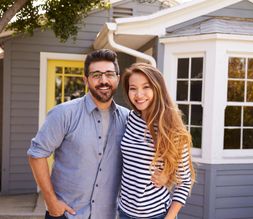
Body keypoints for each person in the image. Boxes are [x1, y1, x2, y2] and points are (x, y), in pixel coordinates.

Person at [27, 49, 129, 219]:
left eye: (109, 74)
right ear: (85, 80)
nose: (103, 80)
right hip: (66, 214)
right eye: (96, 75)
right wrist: (51, 201)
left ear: (117, 78)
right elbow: (36, 154)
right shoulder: (64, 113)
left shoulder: (127, 119)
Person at [118, 63, 196, 219]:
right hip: (124, 211)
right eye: (133, 88)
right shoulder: (130, 118)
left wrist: (170, 216)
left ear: (157, 88)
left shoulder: (172, 128)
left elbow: (185, 181)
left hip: (156, 214)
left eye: (146, 87)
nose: (139, 94)